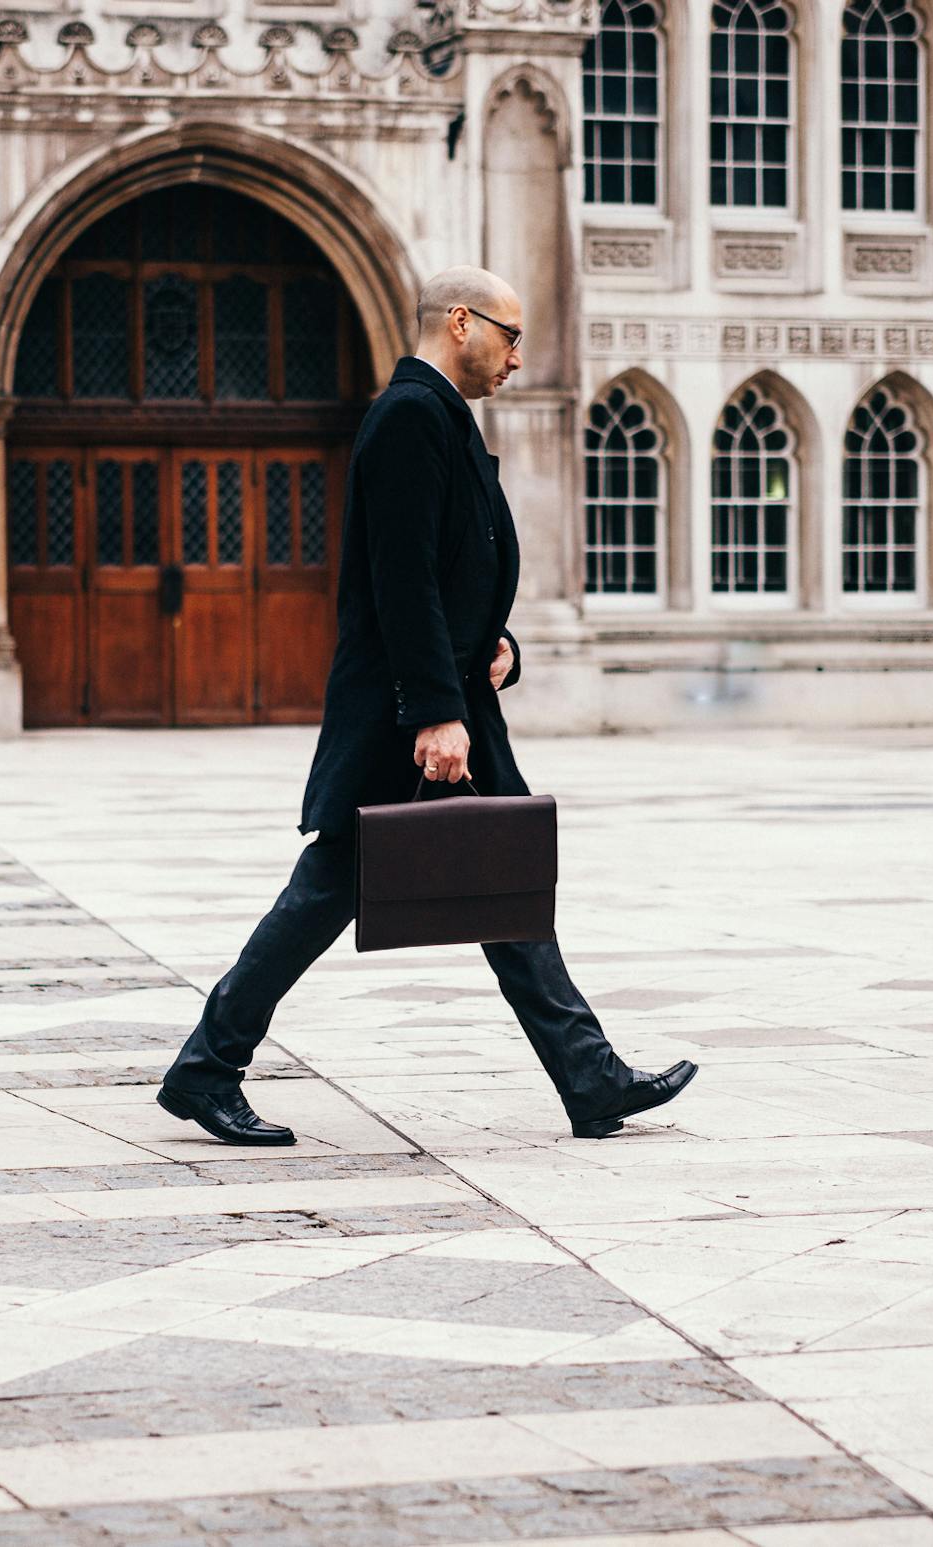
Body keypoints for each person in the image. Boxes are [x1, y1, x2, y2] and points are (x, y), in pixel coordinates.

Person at [157, 266, 696, 1146]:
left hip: (446, 701)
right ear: (459, 322)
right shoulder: (410, 416)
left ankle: (590, 1078)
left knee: (503, 882)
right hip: (413, 716)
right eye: (510, 336)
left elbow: (454, 572)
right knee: (337, 888)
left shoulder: (440, 417)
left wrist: (502, 644)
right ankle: (206, 1066)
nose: (519, 356)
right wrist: (434, 712)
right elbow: (400, 581)